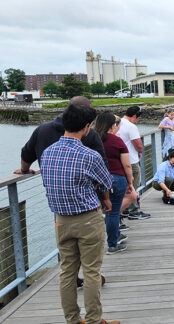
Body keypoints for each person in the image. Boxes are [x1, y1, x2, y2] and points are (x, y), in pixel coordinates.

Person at [14, 96, 108, 288]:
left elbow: (27, 154)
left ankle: (73, 286)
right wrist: (105, 198)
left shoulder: (42, 131)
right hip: (87, 206)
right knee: (91, 262)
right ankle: (92, 312)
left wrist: (24, 170)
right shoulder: (89, 135)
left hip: (59, 206)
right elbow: (103, 171)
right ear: (87, 121)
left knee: (67, 262)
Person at [39, 100, 119, 324]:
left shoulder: (47, 153)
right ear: (86, 127)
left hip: (61, 220)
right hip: (87, 218)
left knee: (67, 271)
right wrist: (104, 199)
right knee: (92, 271)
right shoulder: (89, 155)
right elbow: (105, 182)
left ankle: (72, 320)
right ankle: (94, 319)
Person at [94, 112, 134, 255]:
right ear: (112, 125)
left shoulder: (91, 139)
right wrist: (130, 181)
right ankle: (112, 244)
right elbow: (127, 165)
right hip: (116, 179)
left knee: (98, 212)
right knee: (113, 212)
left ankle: (108, 238)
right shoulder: (116, 141)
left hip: (96, 181)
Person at [117, 105, 151, 220]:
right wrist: (141, 150)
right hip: (131, 160)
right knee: (133, 187)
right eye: (138, 118)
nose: (138, 120)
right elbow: (137, 143)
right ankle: (133, 211)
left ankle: (125, 209)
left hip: (119, 160)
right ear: (135, 116)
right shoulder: (131, 126)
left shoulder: (118, 123)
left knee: (124, 187)